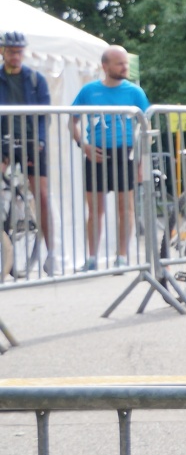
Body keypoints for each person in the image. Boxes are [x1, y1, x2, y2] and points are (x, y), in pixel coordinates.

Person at [70, 44, 151, 270]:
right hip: (95, 154)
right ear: (105, 66)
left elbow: (147, 127)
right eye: (119, 63)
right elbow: (72, 121)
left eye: (126, 63)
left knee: (125, 208)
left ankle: (122, 256)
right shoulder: (89, 91)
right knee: (95, 210)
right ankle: (92, 258)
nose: (125, 67)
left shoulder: (135, 92)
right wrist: (83, 145)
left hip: (125, 154)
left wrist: (142, 163)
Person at [0, 29, 56, 275]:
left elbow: (45, 115)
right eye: (11, 51)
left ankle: (52, 253)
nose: (15, 56)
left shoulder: (35, 79)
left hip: (32, 141)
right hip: (4, 140)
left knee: (41, 195)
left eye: (19, 52)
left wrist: (40, 140)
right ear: (2, 51)